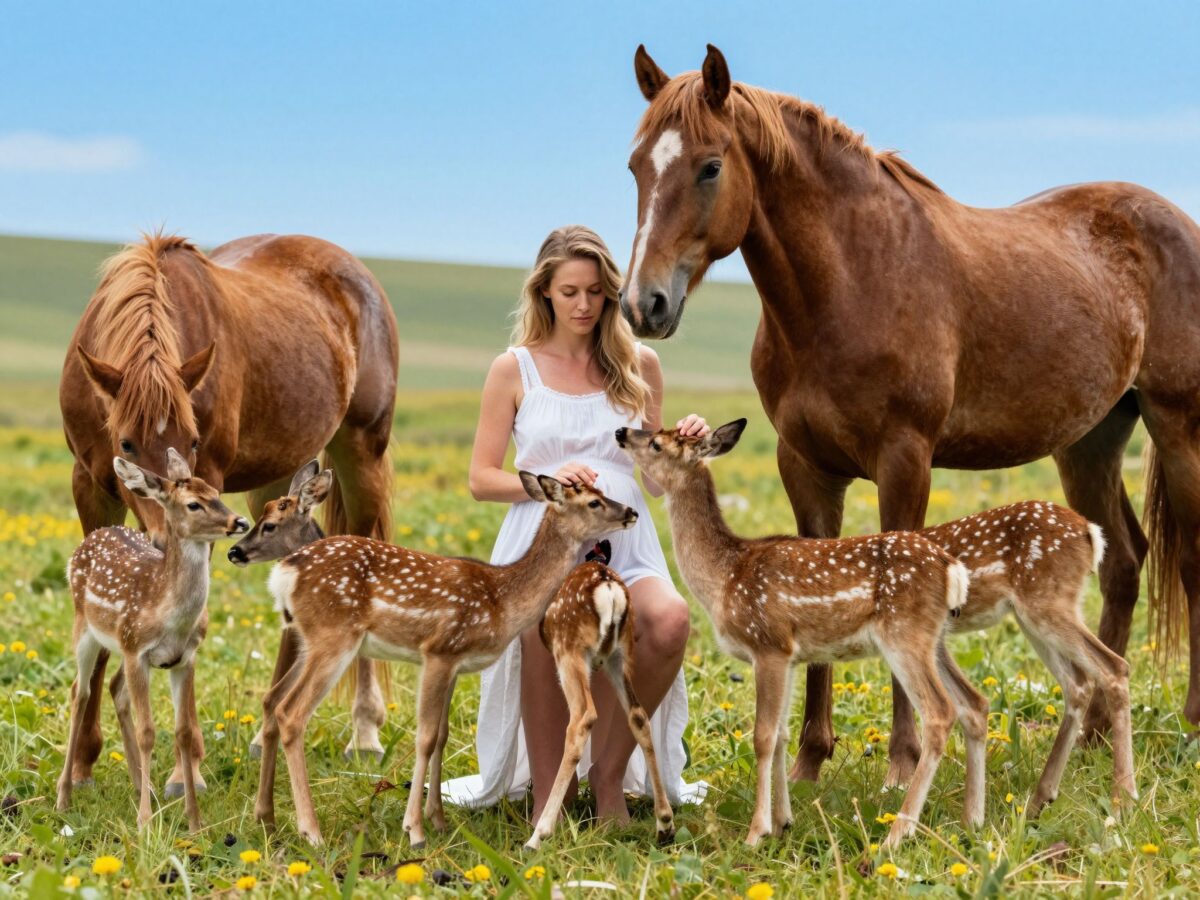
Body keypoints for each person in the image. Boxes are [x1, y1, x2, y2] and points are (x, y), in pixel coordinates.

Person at [443, 225, 707, 823]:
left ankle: (609, 779)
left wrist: (682, 448)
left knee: (668, 621)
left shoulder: (639, 364)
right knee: (543, 624)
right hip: (546, 541)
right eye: (569, 292)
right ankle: (549, 796)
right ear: (545, 292)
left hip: (625, 541)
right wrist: (550, 481)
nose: (583, 305)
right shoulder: (514, 369)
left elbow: (655, 482)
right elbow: (481, 478)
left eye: (594, 292)